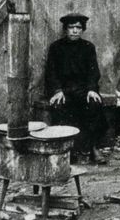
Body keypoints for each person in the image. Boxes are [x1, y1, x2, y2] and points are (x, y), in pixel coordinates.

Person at [44, 13, 107, 164]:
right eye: (71, 27)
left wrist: (92, 89)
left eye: (78, 27)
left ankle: (93, 147)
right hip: (64, 89)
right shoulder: (56, 47)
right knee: (60, 107)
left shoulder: (88, 47)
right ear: (65, 30)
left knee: (94, 105)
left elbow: (93, 71)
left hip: (84, 89)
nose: (75, 31)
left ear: (82, 30)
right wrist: (57, 91)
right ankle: (67, 151)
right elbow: (51, 72)